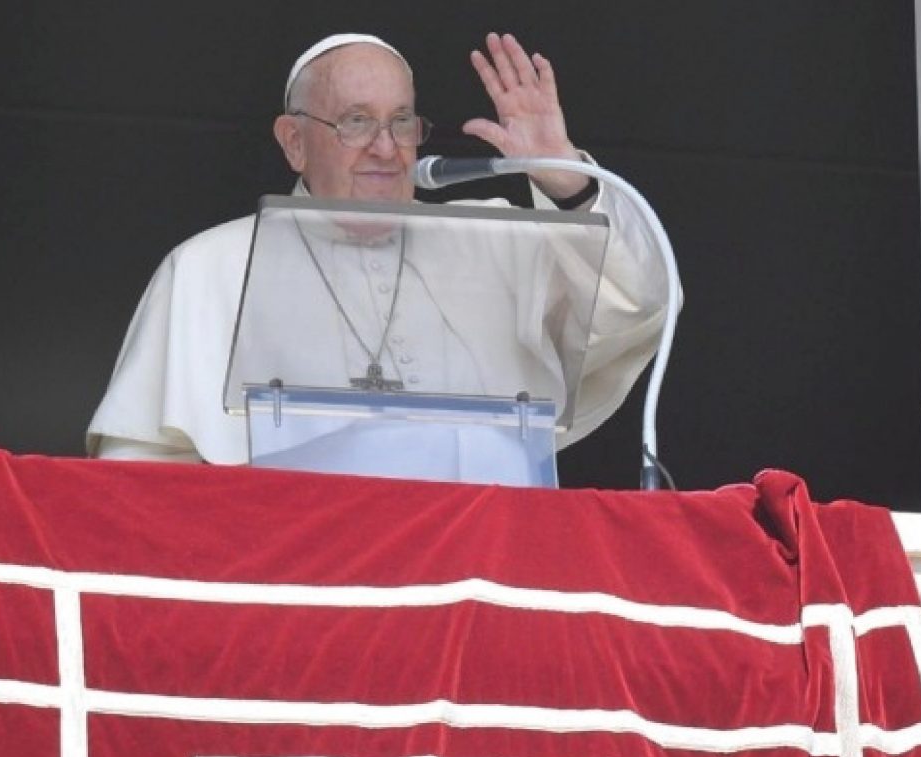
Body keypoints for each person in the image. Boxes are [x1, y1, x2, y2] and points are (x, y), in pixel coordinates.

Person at [87, 33, 667, 464]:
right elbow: (139, 476)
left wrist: (567, 181)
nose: (386, 149)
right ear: (294, 142)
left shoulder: (497, 242)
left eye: (402, 122)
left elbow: (634, 304)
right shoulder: (208, 269)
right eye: (356, 121)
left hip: (478, 569)